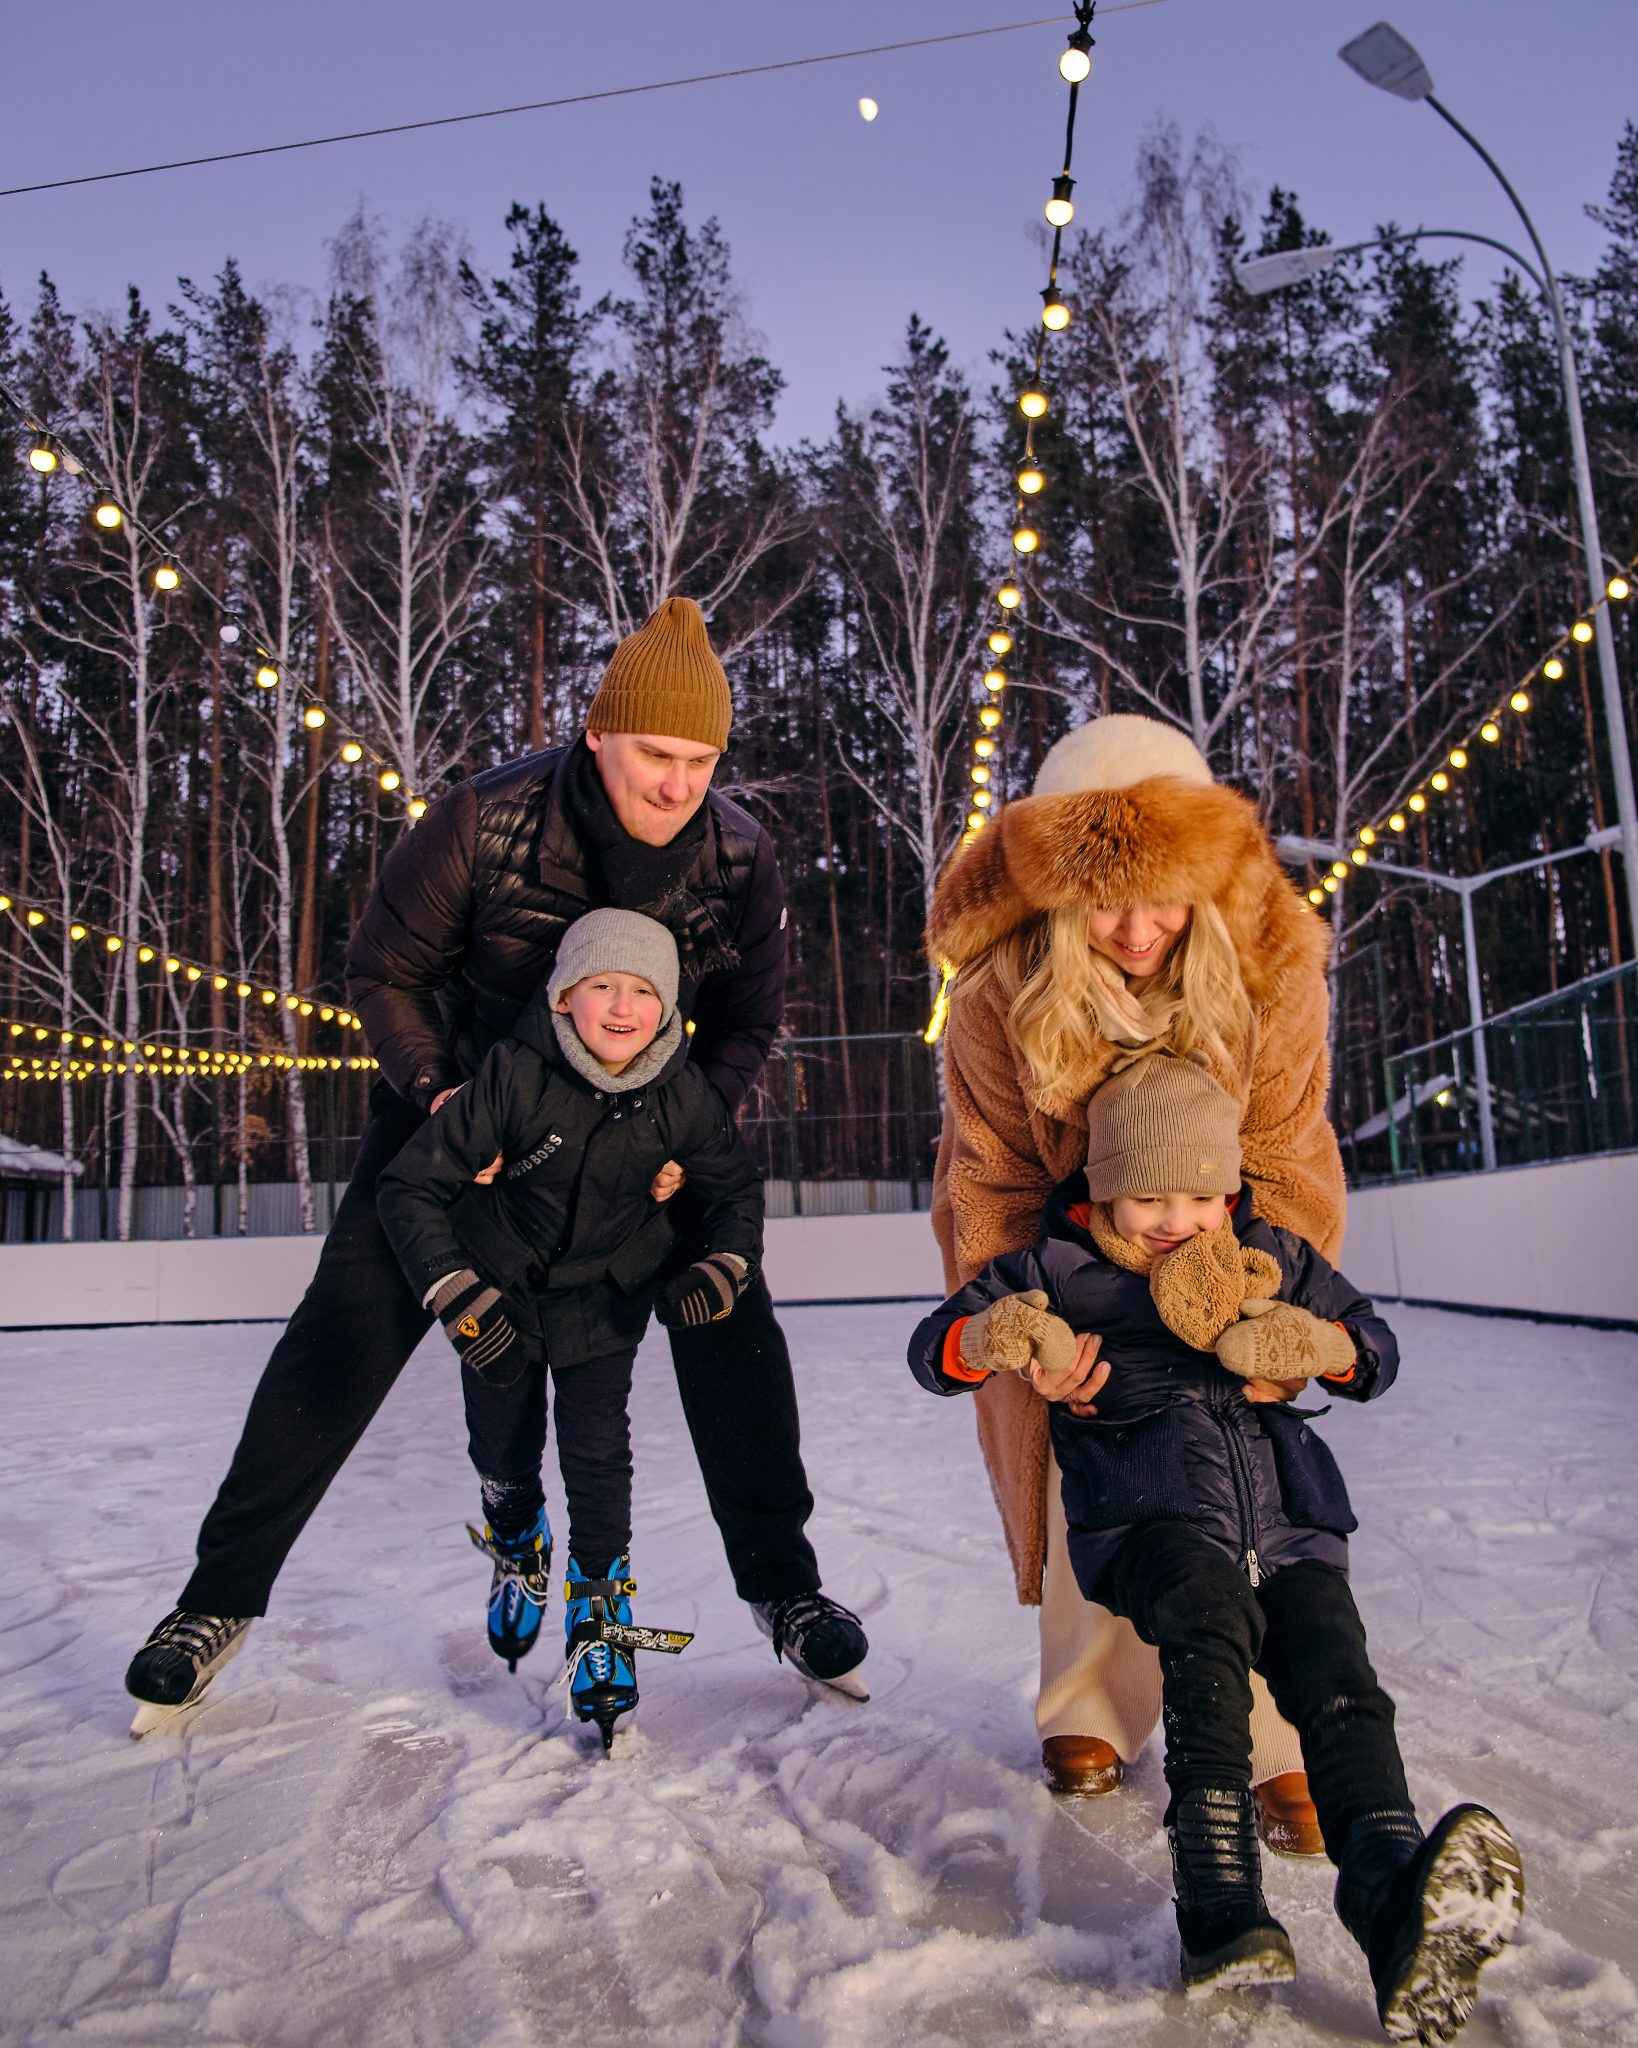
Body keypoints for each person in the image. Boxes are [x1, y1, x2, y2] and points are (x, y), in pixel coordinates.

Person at [125, 597, 867, 1728]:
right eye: (657, 754)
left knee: (733, 1319)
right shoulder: (482, 818)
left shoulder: (738, 854)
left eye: (702, 761)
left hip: (642, 1133)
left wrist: (689, 1131)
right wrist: (445, 1098)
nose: (679, 784)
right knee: (342, 1330)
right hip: (467, 1116)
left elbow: (745, 1023)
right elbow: (384, 970)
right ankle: (215, 1598)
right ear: (598, 732)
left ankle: (785, 1587)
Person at [907, 1055, 1524, 2037]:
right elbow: (934, 1347)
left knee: (1338, 1670)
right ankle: (1220, 1895)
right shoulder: (1063, 1268)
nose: (1178, 1219)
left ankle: (1390, 1889)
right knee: (1208, 1637)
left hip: (1290, 1517)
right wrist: (992, 1337)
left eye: (1201, 1196)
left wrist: (1320, 1347)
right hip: (1148, 1515)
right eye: (1150, 1197)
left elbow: (1375, 1346)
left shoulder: (1266, 1256)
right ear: (1103, 1189)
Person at [925, 713, 1347, 1849]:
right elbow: (994, 1177)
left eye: (1164, 895)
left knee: (1243, 1480)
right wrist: (1028, 1328)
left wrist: (1274, 1309)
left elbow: (1288, 1155)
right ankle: (1090, 1699)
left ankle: (1274, 1728)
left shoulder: (1271, 976)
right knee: (1090, 1455)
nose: (1136, 928)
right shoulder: (1001, 991)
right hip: (1072, 1271)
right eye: (1104, 901)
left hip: (1225, 1264)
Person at [375, 909, 766, 1746]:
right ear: (563, 998)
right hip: (499, 1294)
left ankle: (601, 1619)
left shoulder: (682, 1095)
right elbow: (408, 1187)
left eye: (644, 991)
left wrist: (720, 1267)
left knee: (598, 1457)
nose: (623, 1007)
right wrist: (455, 1292)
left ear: (668, 1009)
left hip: (604, 1299)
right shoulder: (512, 1076)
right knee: (503, 1445)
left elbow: (737, 1191)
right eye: (602, 986)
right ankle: (517, 1536)